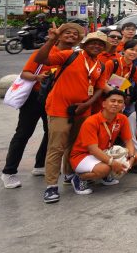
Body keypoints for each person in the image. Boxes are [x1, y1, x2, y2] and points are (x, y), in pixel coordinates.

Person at [1, 22, 83, 189]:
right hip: (35, 97)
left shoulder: (75, 55)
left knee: (50, 134)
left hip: (55, 101)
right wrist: (37, 78)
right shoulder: (46, 51)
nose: (71, 35)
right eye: (67, 32)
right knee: (23, 133)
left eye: (75, 34)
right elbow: (25, 73)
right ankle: (9, 172)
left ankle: (40, 165)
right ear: (59, 35)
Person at [34, 29, 109, 204]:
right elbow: (41, 59)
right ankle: (51, 186)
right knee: (56, 147)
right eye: (93, 42)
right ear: (85, 44)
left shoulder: (100, 65)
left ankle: (69, 174)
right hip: (59, 108)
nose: (96, 46)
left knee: (75, 146)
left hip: (82, 110)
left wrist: (88, 104)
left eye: (100, 44)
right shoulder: (70, 55)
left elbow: (99, 87)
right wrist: (51, 40)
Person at [68, 90, 137, 196]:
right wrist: (113, 163)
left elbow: (128, 140)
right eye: (113, 101)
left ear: (123, 105)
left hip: (104, 152)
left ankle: (105, 175)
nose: (116, 104)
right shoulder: (91, 121)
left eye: (120, 102)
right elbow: (92, 149)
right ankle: (79, 178)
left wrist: (131, 156)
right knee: (106, 168)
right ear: (104, 104)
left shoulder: (122, 118)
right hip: (82, 156)